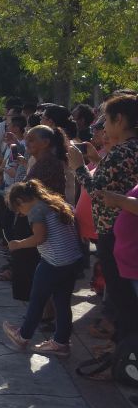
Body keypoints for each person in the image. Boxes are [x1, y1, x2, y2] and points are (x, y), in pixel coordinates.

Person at [68, 94, 138, 349]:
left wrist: (78, 166)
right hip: (126, 230)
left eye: (106, 120)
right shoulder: (130, 149)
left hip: (114, 229)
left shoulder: (121, 151)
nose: (104, 127)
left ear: (119, 120)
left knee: (122, 295)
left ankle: (123, 351)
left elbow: (98, 189)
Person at [1, 179, 84, 358]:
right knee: (62, 303)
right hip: (71, 260)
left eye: (19, 210)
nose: (21, 214)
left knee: (37, 299)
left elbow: (40, 237)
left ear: (21, 202)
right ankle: (61, 342)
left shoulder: (36, 210)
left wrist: (18, 244)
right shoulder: (55, 203)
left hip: (53, 262)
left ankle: (23, 336)